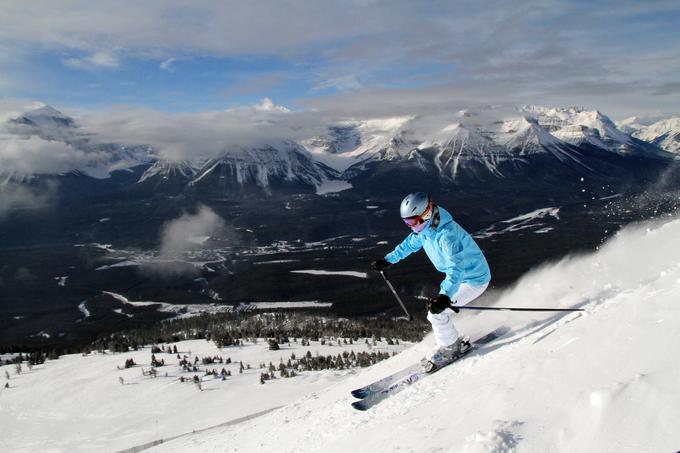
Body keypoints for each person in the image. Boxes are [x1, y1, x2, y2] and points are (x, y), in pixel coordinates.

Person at [372, 192, 491, 372]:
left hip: (473, 279)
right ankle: (451, 342)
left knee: (437, 313)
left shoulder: (446, 235)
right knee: (435, 312)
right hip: (462, 277)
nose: (410, 226)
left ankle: (451, 349)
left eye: (412, 221)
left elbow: (455, 269)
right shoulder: (425, 229)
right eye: (406, 222)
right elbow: (409, 244)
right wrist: (388, 260)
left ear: (426, 214)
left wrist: (445, 296)